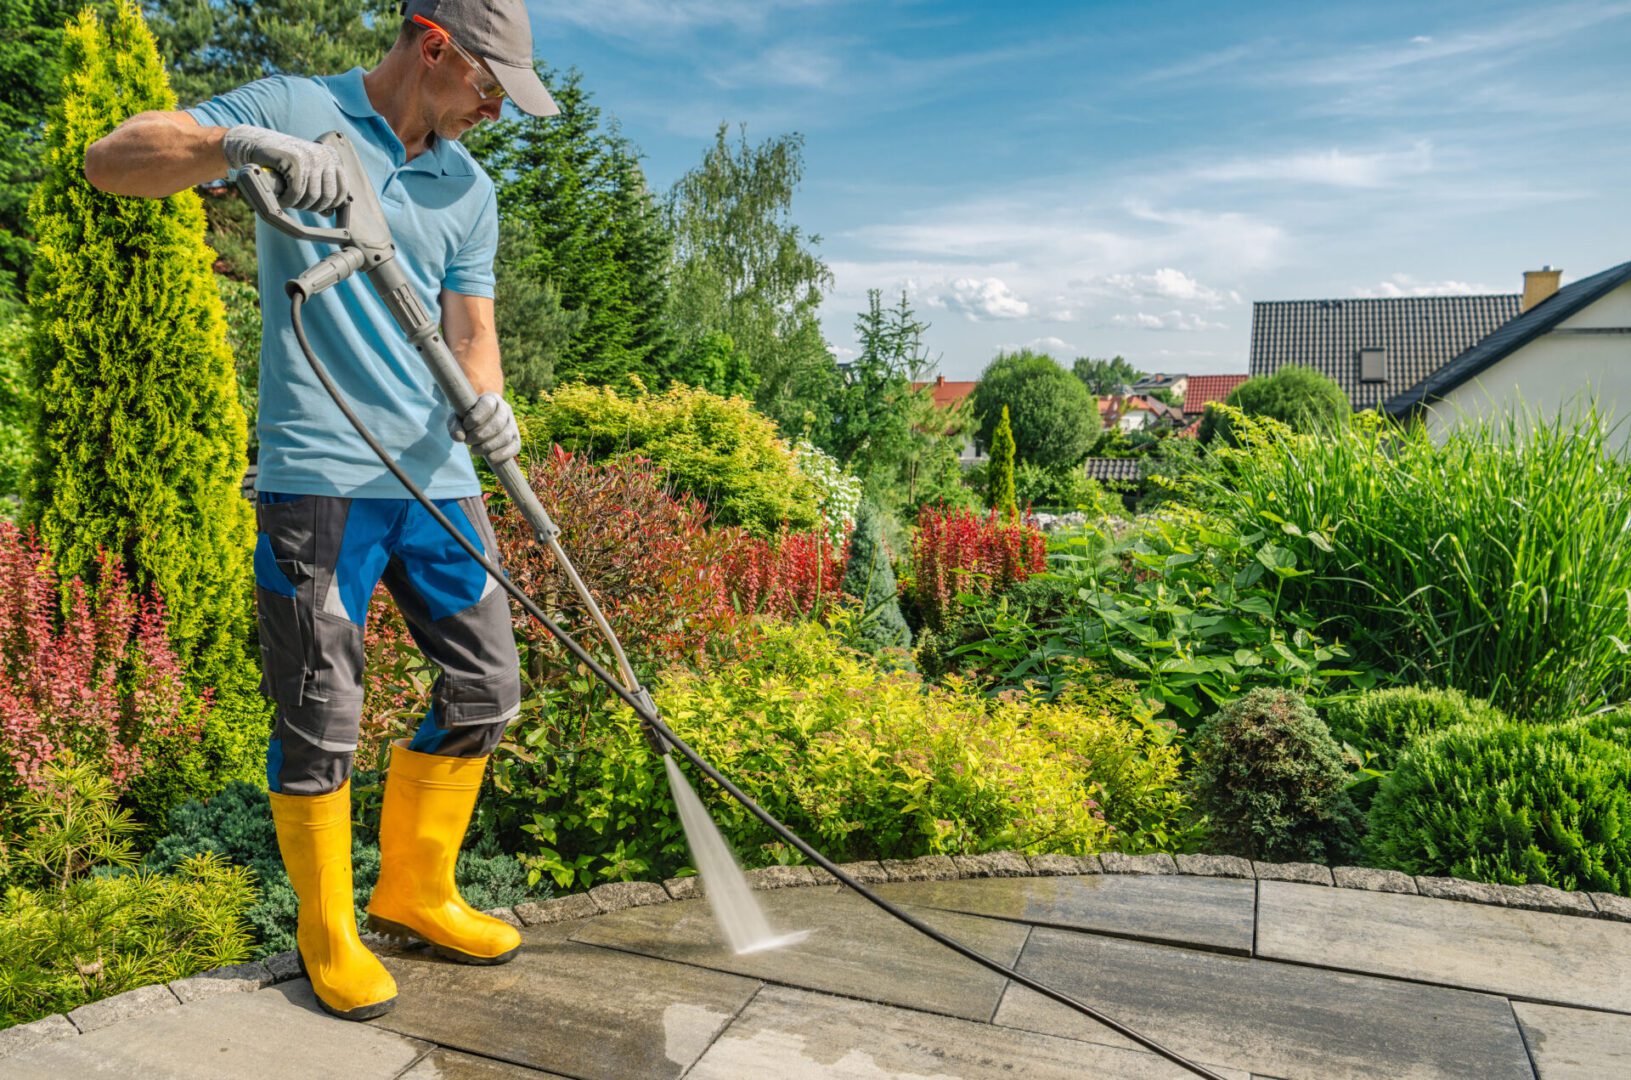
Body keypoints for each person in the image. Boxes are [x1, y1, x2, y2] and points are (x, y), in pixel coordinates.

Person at [83, 0, 558, 1022]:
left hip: (439, 483)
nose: (492, 111)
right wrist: (237, 141)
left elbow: (470, 330)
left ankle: (415, 892)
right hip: (322, 479)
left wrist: (492, 403)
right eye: (488, 86)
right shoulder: (300, 106)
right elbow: (111, 159)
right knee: (319, 715)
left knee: (488, 686)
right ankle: (329, 930)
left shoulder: (467, 183)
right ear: (436, 42)